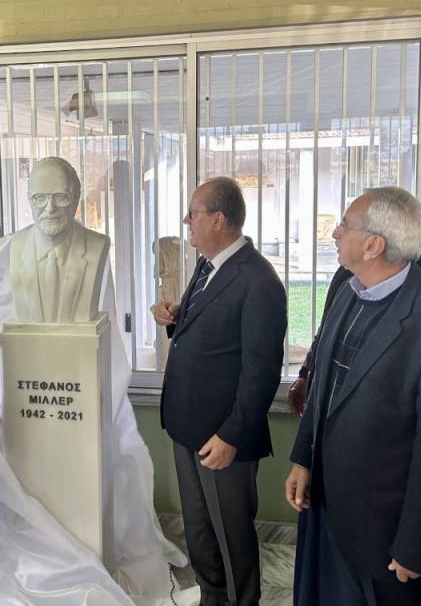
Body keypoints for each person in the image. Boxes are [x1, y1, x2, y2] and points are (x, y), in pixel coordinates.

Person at [285, 188, 421, 606]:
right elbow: (324, 387)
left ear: (374, 245)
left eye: (344, 225)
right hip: (331, 507)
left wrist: (417, 544)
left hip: (391, 534)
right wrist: (303, 458)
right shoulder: (349, 288)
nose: (334, 233)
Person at [151, 176, 287, 606]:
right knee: (199, 531)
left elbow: (261, 371)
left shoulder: (259, 281)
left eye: (193, 213)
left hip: (223, 436)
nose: (186, 221)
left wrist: (231, 435)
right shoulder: (208, 266)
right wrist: (175, 316)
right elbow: (211, 328)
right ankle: (213, 598)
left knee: (232, 537)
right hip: (187, 427)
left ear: (219, 219)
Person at [287, 252, 421, 418]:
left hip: (386, 433)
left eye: (348, 226)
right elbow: (325, 331)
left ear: (377, 239)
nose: (336, 233)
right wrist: (305, 374)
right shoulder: (347, 275)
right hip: (328, 423)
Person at [10, 156, 110, 323]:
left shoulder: (97, 245)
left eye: (60, 197)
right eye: (39, 197)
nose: (50, 208)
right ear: (29, 200)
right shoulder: (16, 246)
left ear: (76, 199)